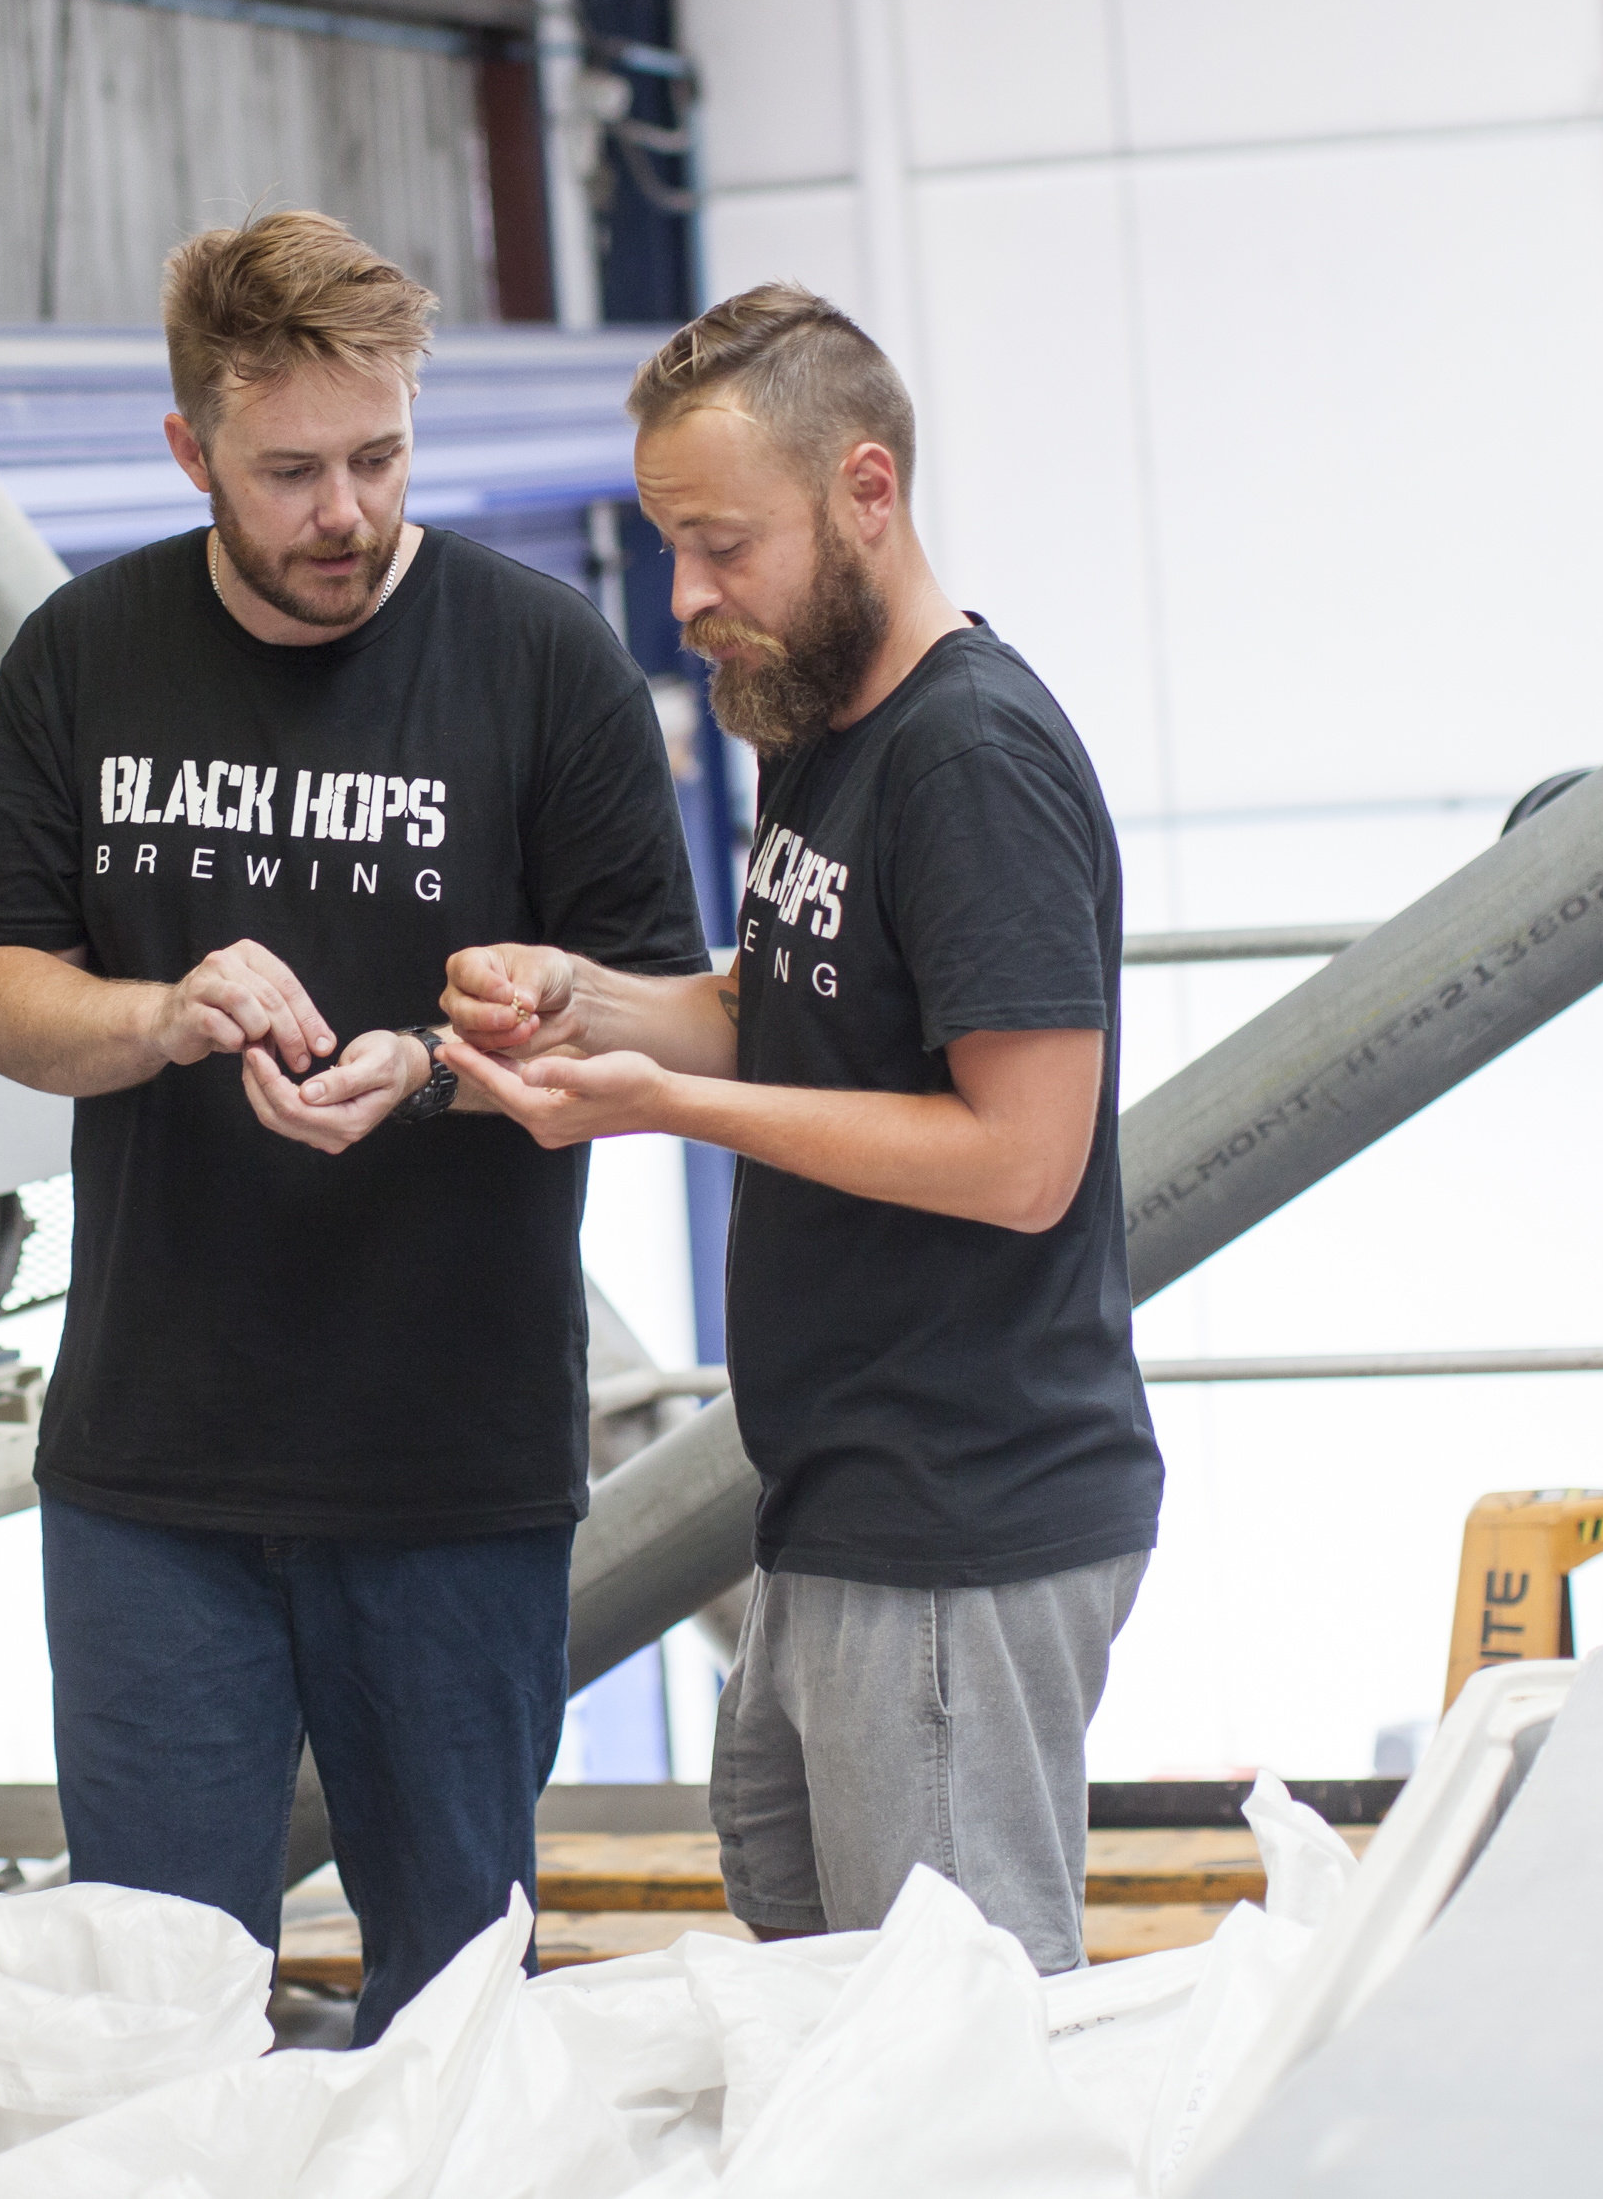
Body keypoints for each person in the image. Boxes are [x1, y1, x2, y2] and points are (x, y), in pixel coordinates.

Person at [0, 211, 710, 2041]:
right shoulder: (83, 656)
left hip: (452, 1473)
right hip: (153, 1479)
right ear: (189, 450)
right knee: (156, 2016)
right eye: (290, 473)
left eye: (380, 457)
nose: (345, 514)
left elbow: (667, 1019)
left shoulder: (544, 661)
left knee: (456, 2011)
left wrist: (442, 1060)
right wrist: (157, 1014)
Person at [438, 281, 1159, 1977]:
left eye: (723, 547)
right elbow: (788, 1011)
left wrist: (666, 1107)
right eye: (668, 547)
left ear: (866, 492)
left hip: (961, 1511)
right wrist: (585, 1000)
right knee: (793, 1906)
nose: (686, 598)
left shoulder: (970, 760)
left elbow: (1022, 1160)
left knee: (943, 2030)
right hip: (841, 1494)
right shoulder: (819, 721)